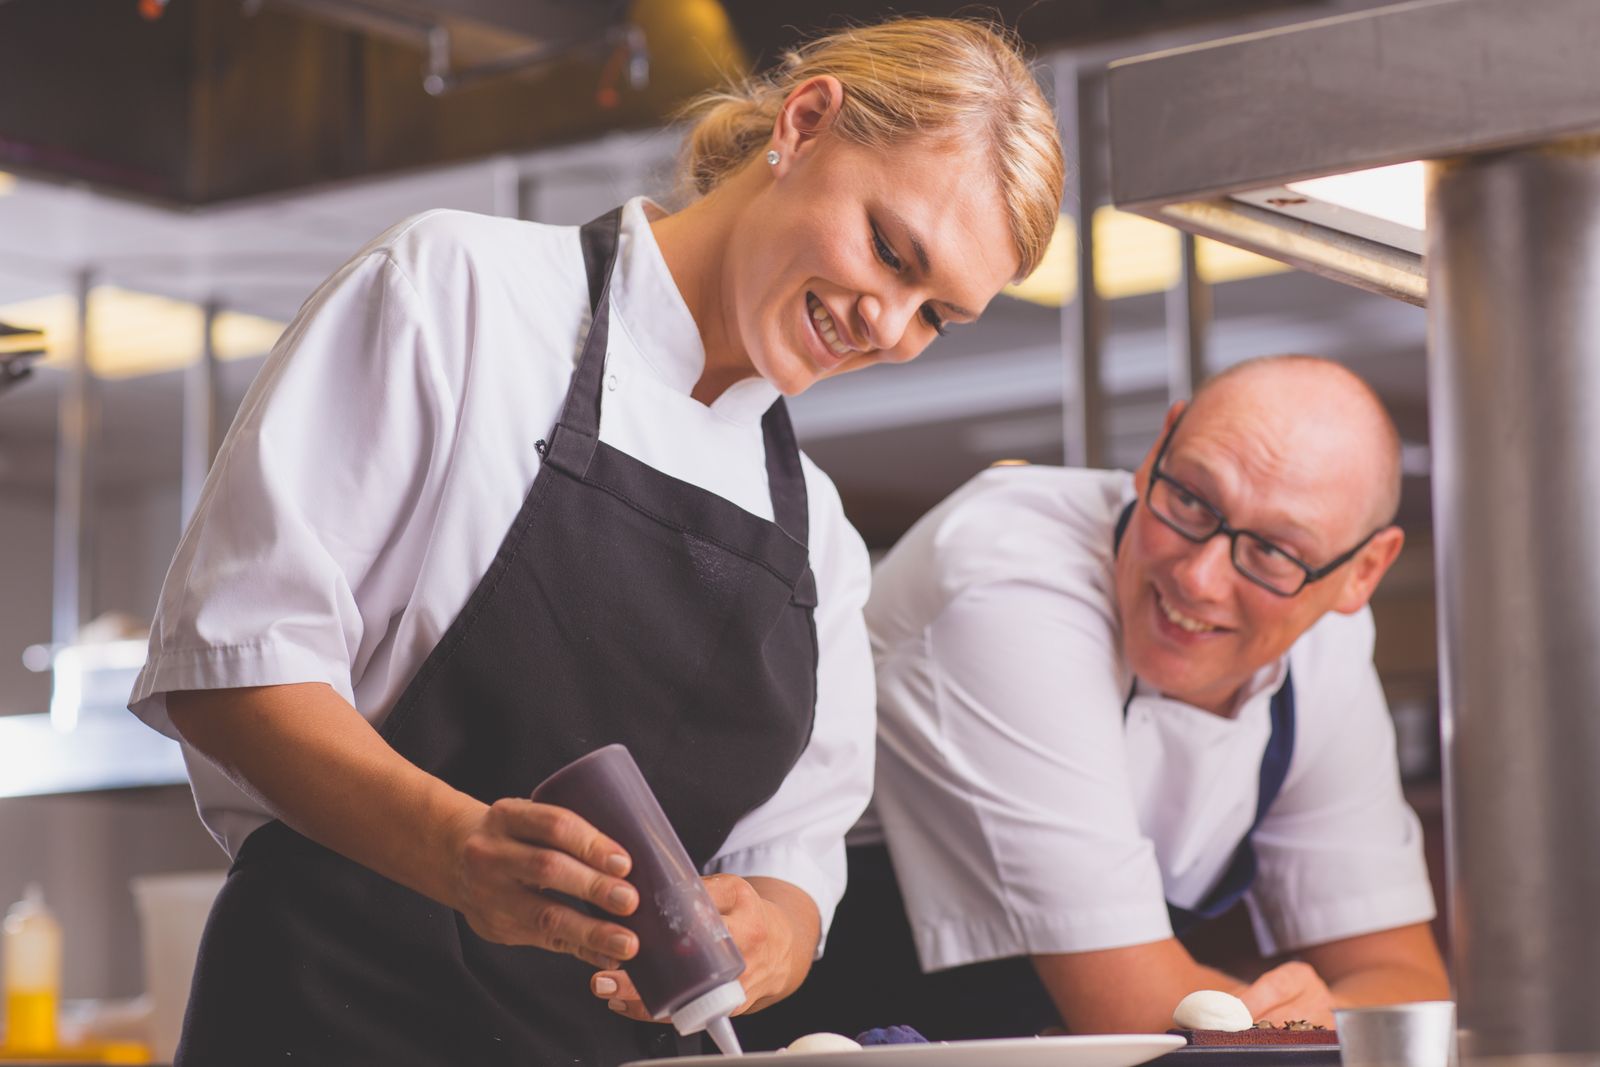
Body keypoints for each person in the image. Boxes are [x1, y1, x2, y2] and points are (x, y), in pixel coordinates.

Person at [125, 17, 1063, 1067]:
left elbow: (795, 853)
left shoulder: (822, 544)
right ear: (803, 123)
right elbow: (235, 665)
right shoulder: (460, 294)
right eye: (892, 253)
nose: (890, 327)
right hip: (326, 1018)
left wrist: (777, 932)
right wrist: (455, 848)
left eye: (938, 315)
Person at [744, 354, 1448, 1046]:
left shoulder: (1326, 643)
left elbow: (1407, 986)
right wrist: (1315, 1027)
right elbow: (1140, 1007)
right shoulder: (1006, 573)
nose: (1200, 577)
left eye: (1273, 551)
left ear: (1362, 572)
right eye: (1192, 501)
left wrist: (1321, 1011)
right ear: (1156, 452)